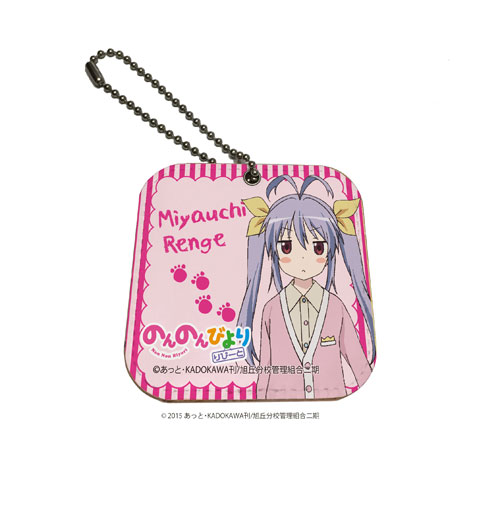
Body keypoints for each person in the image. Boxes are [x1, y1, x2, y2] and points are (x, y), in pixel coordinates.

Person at [237, 175, 375, 400]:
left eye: (318, 248)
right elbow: (266, 370)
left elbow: (359, 364)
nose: (302, 259)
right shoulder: (271, 309)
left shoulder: (335, 307)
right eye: (287, 247)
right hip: (279, 402)